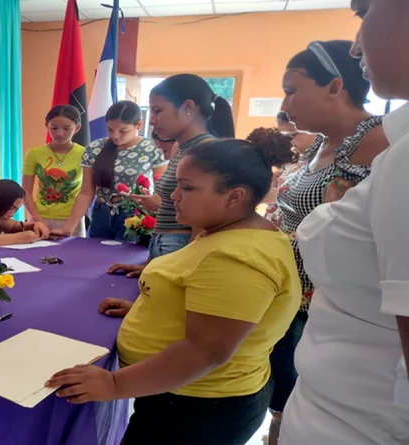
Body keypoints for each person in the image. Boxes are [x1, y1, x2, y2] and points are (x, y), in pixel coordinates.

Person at [46, 131, 301, 445]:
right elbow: (209, 306)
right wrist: (153, 307)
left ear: (234, 196)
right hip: (181, 396)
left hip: (197, 408)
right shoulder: (225, 234)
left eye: (187, 187)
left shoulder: (236, 257)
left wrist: (113, 385)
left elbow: (207, 351)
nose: (172, 196)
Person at [280, 1, 409, 443]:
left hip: (359, 399)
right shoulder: (317, 147)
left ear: (335, 86)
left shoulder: (383, 146)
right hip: (311, 325)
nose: (357, 45)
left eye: (365, 12)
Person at [108, 74, 235, 277]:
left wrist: (183, 266)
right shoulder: (182, 148)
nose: (153, 121)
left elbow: (201, 220)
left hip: (181, 247)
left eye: (158, 111)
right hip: (164, 245)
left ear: (188, 107)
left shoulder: (206, 150)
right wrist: (149, 264)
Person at [52, 100, 168, 241]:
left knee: (126, 259)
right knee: (96, 256)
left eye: (123, 130)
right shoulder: (95, 148)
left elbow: (161, 191)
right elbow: (86, 192)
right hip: (102, 213)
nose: (115, 135)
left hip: (135, 215)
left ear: (139, 125)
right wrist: (68, 228)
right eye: (110, 129)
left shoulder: (152, 149)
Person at [22, 105, 87, 237]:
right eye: (54, 128)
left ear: (77, 128)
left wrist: (70, 225)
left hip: (72, 220)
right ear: (47, 126)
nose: (60, 133)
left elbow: (87, 192)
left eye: (67, 128)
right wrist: (37, 219)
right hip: (39, 218)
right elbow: (25, 191)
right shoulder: (34, 153)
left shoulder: (85, 154)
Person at [260, 112, 314, 226]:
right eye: (284, 136)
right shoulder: (297, 163)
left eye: (293, 134)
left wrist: (278, 196)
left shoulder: (332, 164)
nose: (290, 142)